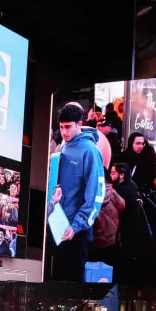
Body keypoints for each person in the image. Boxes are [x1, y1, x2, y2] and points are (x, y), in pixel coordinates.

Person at [49, 103, 105, 281]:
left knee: (71, 286)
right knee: (57, 284)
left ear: (79, 124)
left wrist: (77, 225)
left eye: (68, 127)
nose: (64, 132)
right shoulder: (64, 146)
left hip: (76, 230)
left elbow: (95, 194)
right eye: (61, 127)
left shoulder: (90, 151)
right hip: (58, 224)